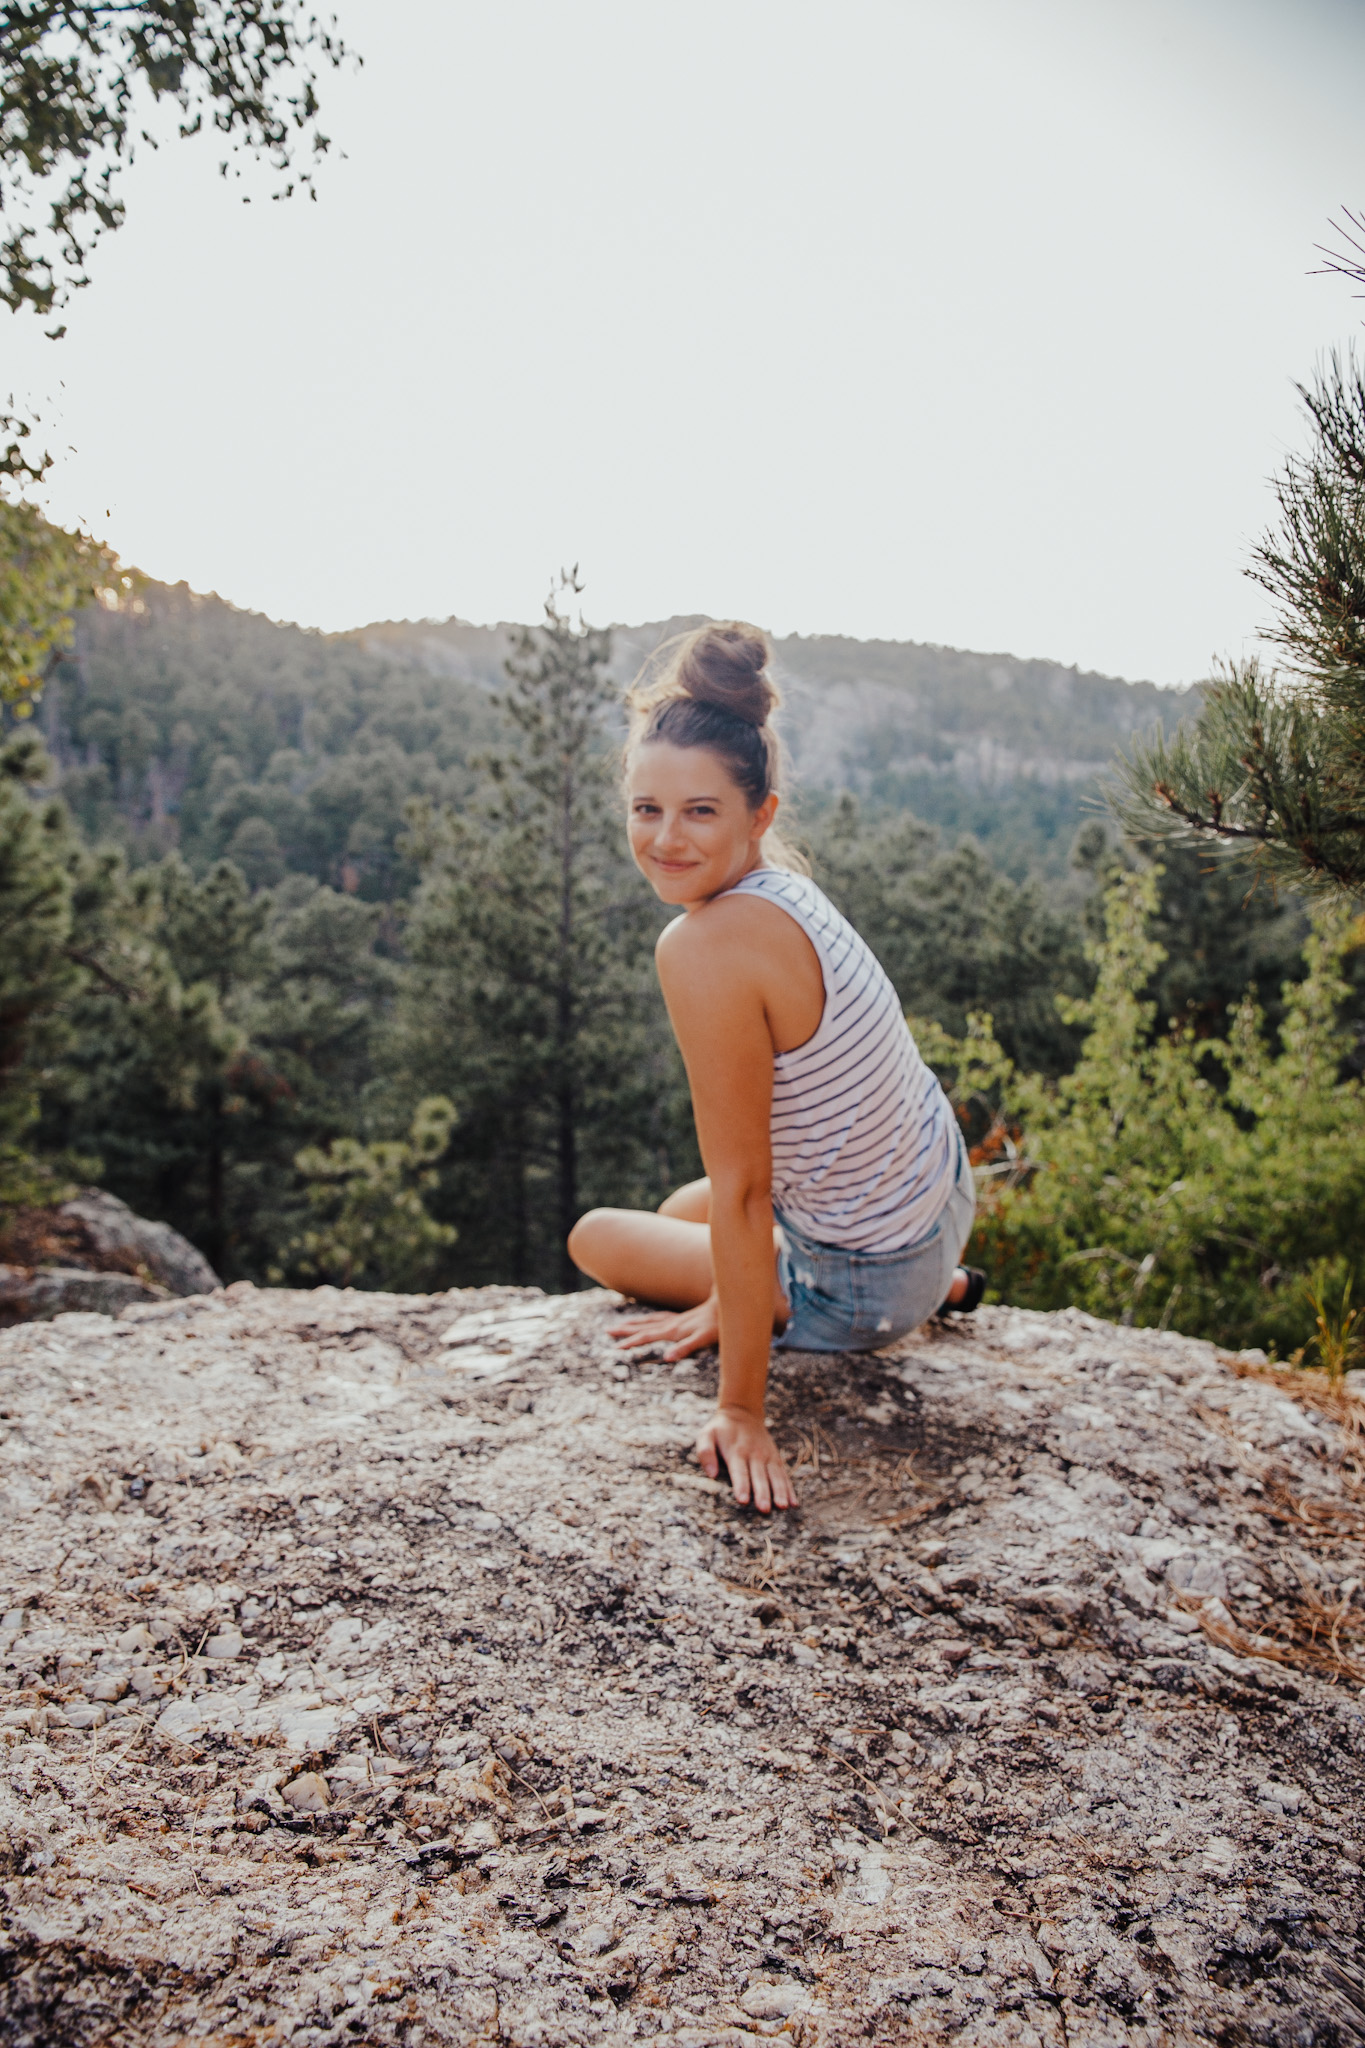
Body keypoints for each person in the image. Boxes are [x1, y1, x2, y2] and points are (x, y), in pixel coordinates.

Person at [567, 622, 982, 1515]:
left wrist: (741, 1409)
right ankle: (936, 1283)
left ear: (760, 813)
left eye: (699, 812)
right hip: (937, 1197)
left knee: (598, 1237)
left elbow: (748, 1192)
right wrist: (735, 1280)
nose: (666, 839)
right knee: (682, 1215)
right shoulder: (781, 888)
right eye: (646, 809)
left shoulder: (704, 947)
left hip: (870, 1277)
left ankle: (859, 1294)